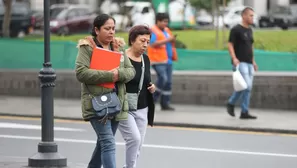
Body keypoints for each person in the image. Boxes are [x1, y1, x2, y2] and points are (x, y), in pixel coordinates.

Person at [75, 14, 135, 168]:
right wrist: (110, 75)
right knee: (108, 143)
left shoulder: (119, 47)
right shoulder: (87, 47)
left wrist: (118, 74)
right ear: (96, 30)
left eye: (113, 28)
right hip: (97, 103)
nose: (111, 32)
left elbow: (131, 71)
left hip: (116, 102)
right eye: (107, 28)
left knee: (103, 143)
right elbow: (81, 73)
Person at [118, 25, 156, 168]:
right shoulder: (121, 58)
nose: (145, 45)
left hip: (142, 107)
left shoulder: (145, 59)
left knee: (138, 143)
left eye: (148, 41)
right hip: (124, 106)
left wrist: (152, 87)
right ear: (133, 40)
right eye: (142, 41)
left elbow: (146, 80)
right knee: (134, 139)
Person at [226, 7, 258, 119]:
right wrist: (234, 58)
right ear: (243, 16)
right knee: (247, 86)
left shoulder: (249, 30)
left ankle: (242, 111)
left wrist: (253, 61)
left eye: (253, 16)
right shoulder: (236, 30)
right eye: (250, 15)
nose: (252, 18)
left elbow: (251, 46)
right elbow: (230, 44)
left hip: (249, 63)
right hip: (240, 62)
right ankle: (233, 103)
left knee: (245, 87)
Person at [147, 12, 178, 111]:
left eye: (167, 22)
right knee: (163, 79)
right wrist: (169, 40)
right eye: (164, 22)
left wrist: (172, 40)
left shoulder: (167, 30)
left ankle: (165, 103)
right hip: (158, 60)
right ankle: (152, 99)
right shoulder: (153, 31)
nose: (166, 24)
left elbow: (170, 41)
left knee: (168, 83)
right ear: (158, 21)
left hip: (168, 60)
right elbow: (152, 44)